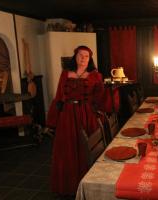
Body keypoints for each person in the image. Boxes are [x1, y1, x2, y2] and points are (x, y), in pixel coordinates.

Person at [46, 45, 104, 196]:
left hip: (85, 115)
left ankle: (89, 185)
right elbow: (59, 96)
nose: (83, 58)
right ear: (75, 56)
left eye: (86, 56)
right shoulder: (65, 74)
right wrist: (53, 120)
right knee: (68, 149)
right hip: (67, 116)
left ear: (90, 59)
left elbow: (99, 96)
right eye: (80, 55)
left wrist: (98, 111)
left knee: (87, 149)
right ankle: (68, 186)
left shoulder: (95, 76)